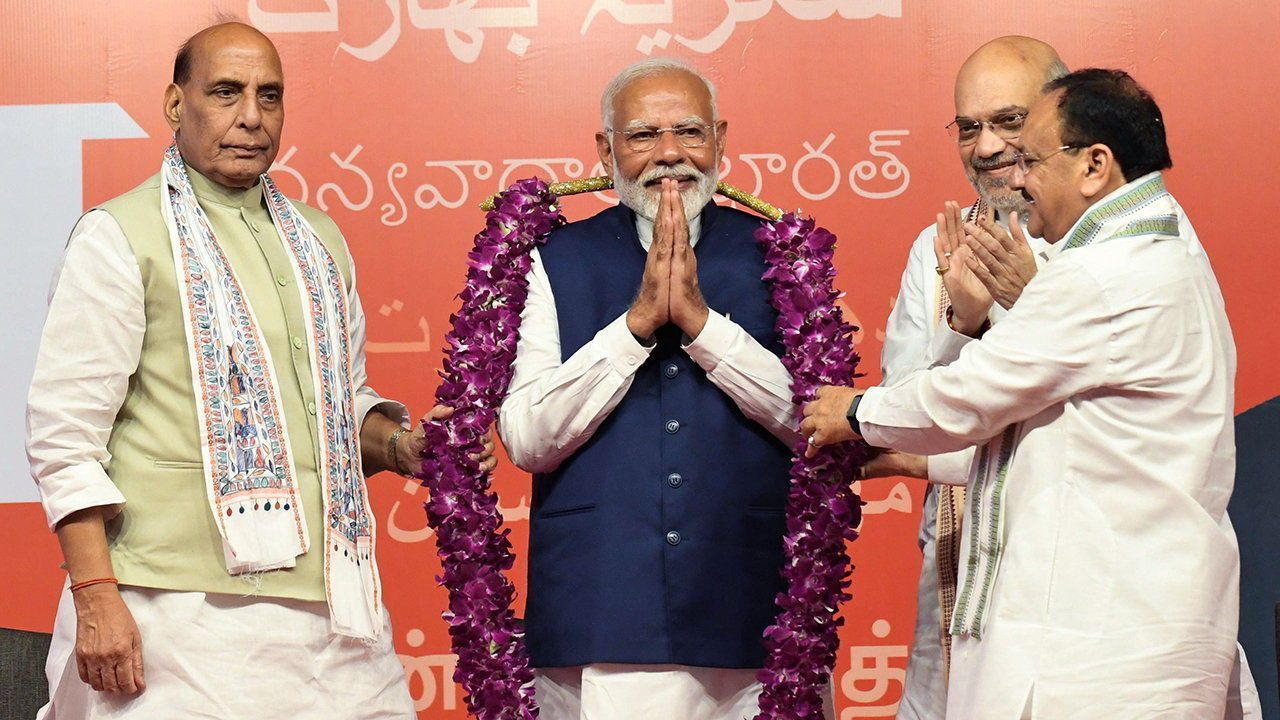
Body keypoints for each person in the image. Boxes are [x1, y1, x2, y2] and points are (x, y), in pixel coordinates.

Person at [26, 22, 492, 718]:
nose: (251, 116)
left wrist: (402, 447)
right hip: (175, 613)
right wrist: (96, 598)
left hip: (333, 611)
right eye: (226, 92)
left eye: (269, 96)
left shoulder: (319, 239)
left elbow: (339, 409)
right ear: (176, 105)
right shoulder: (121, 236)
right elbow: (65, 439)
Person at [804, 69, 1243, 718]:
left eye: (1031, 159)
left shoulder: (1103, 271)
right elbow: (1071, 438)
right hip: (1128, 630)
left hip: (1105, 648)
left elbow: (970, 398)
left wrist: (858, 411)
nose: (1016, 177)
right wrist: (911, 458)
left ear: (1096, 165)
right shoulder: (1158, 243)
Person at [497, 58, 828, 720]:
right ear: (606, 149)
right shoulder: (552, 259)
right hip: (601, 609)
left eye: (689, 132)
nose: (670, 154)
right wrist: (636, 325)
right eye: (644, 134)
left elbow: (820, 423)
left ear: (722, 140)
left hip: (754, 606)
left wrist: (704, 328)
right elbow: (527, 438)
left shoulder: (783, 255)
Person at [869, 36, 1064, 719]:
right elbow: (903, 416)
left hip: (1075, 564)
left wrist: (1026, 299)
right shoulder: (938, 247)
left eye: (1008, 123)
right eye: (969, 127)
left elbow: (1075, 426)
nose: (985, 149)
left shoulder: (1101, 241)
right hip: (959, 555)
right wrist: (965, 321)